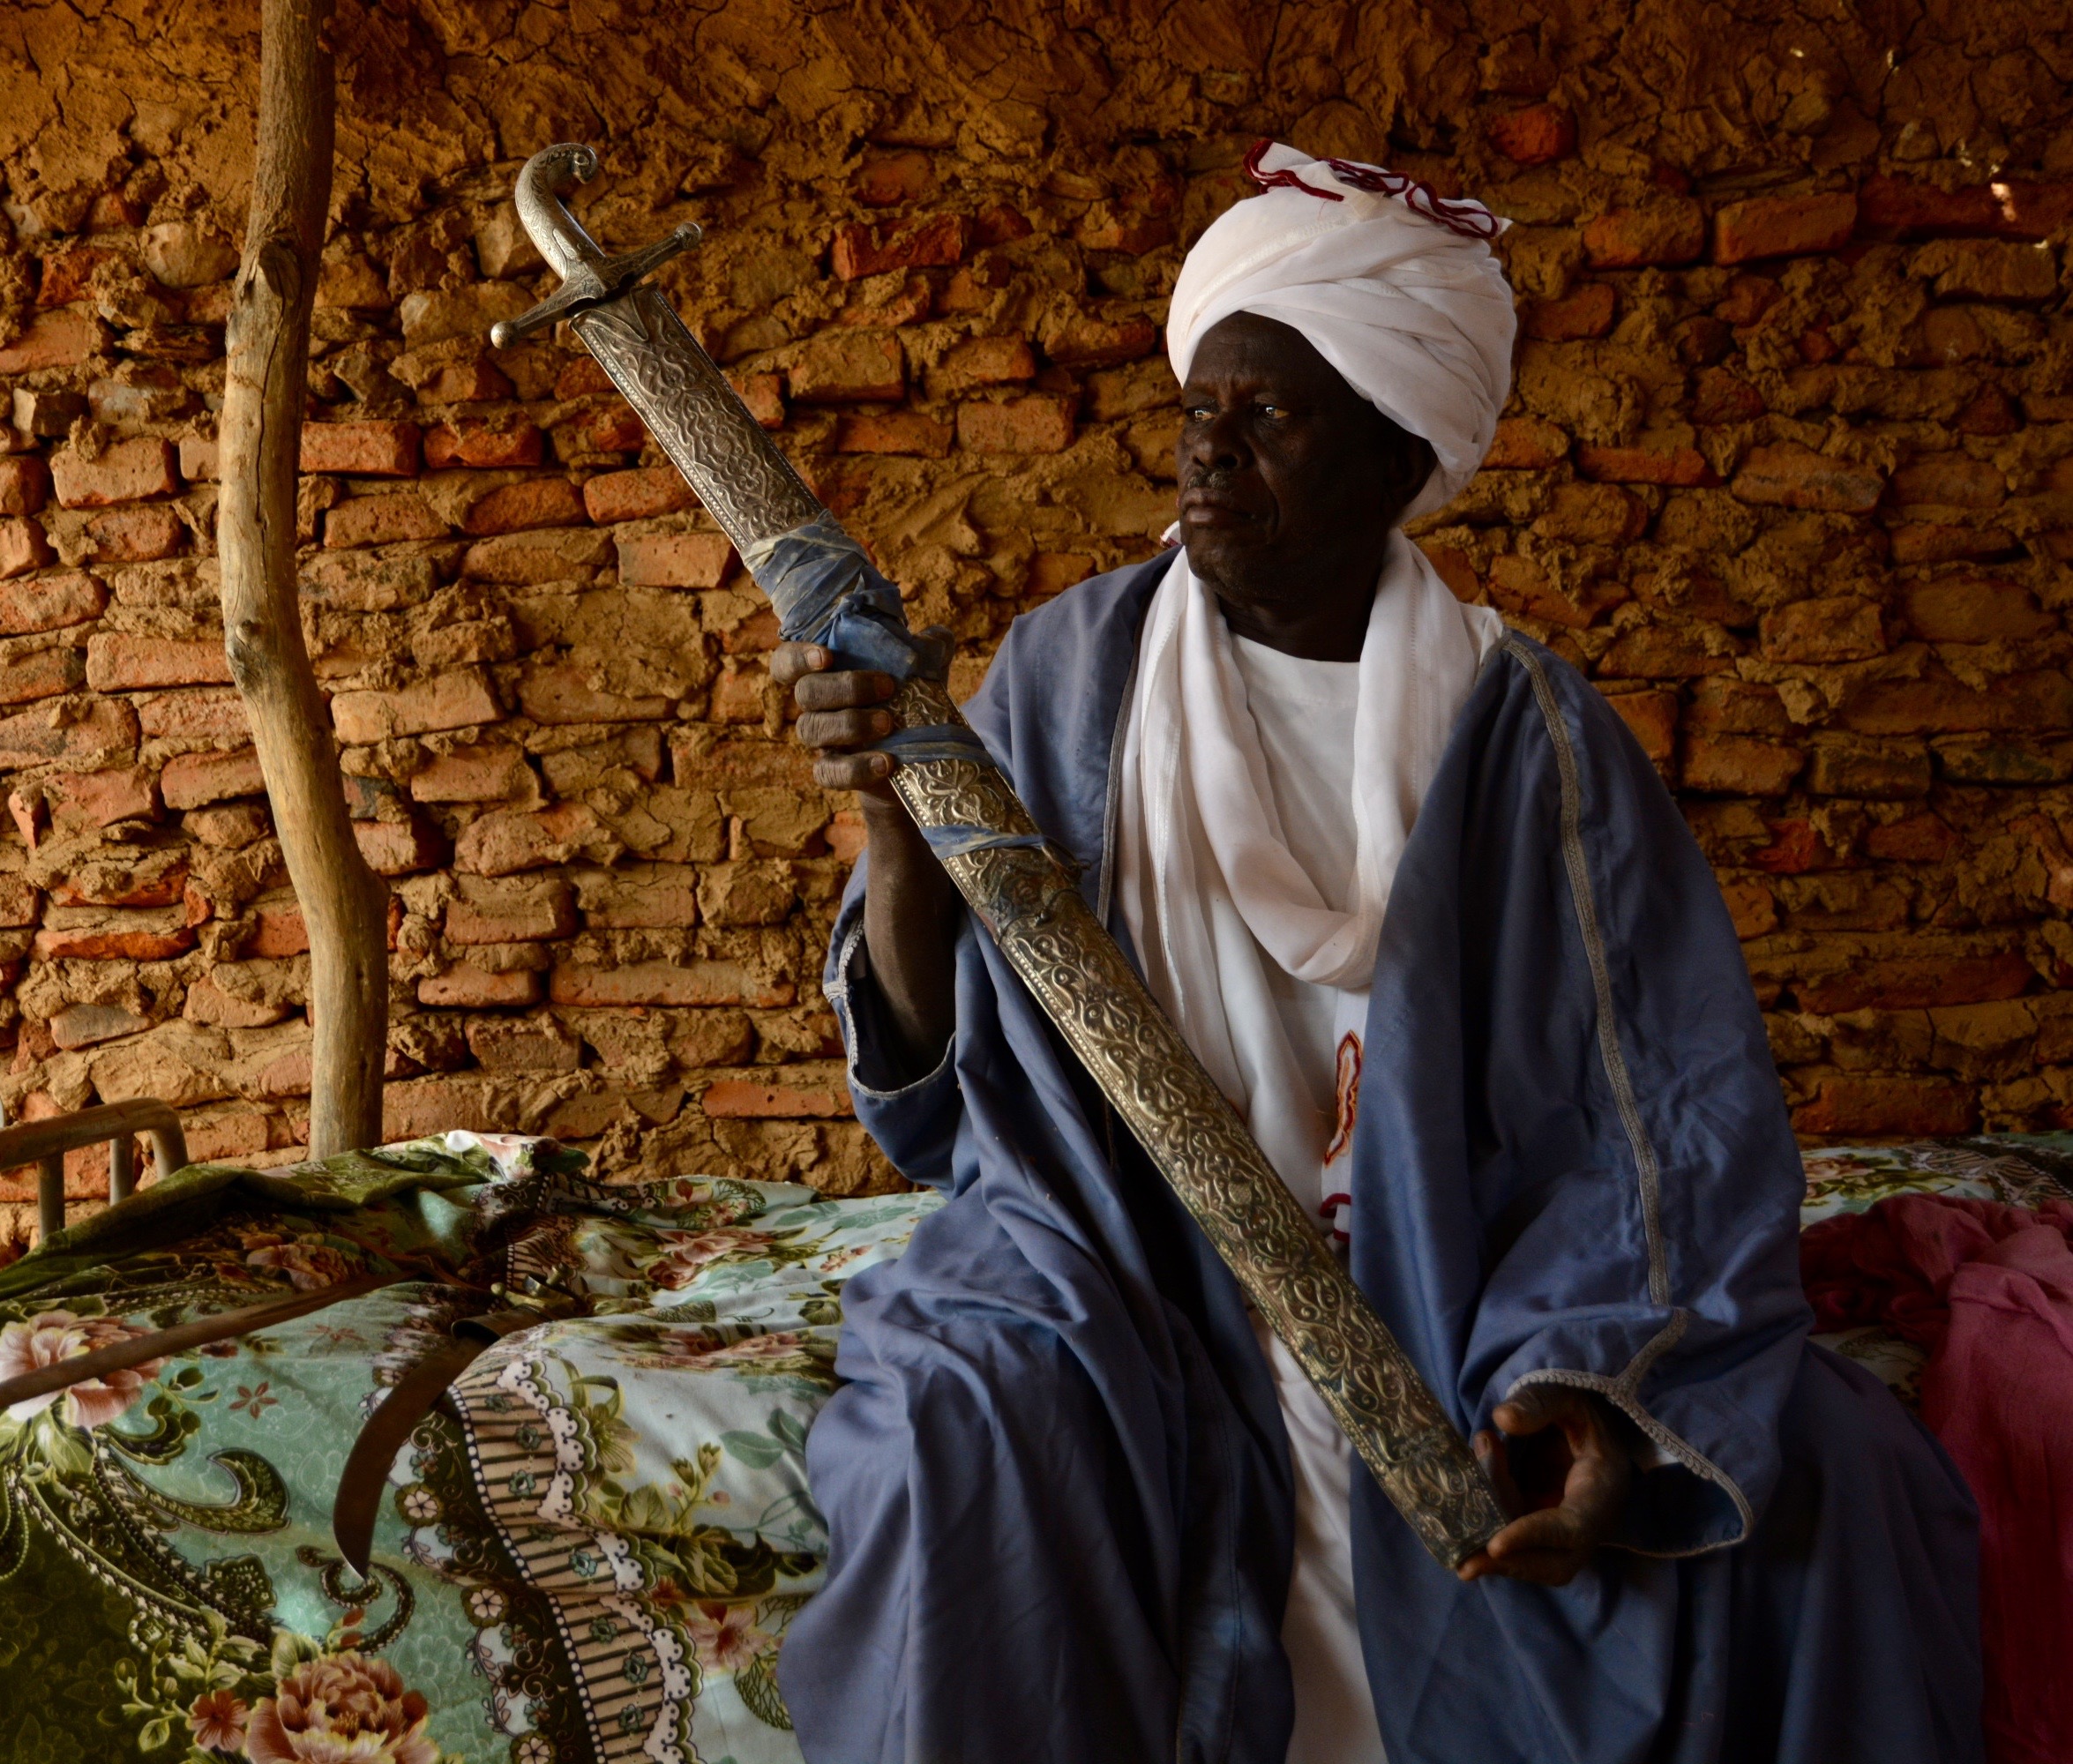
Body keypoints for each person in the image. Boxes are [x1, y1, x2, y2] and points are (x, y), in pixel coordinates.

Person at [769, 143, 1982, 1764]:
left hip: (1450, 1276)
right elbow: (934, 1079)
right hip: (1115, 1255)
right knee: (952, 1424)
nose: (1206, 453)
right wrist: (892, 823)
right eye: (1199, 408)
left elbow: (1654, 1113)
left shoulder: (1526, 730)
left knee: (1816, 1476)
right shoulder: (1072, 670)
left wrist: (1586, 1379)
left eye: (1269, 418)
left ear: (1399, 449)